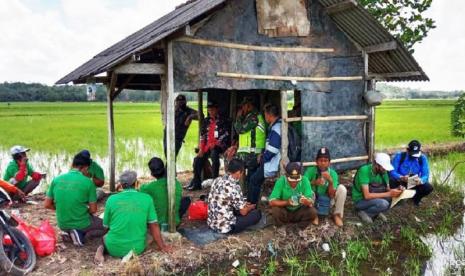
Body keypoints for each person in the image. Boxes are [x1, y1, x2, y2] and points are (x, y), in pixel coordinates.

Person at [94, 171, 172, 263]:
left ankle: (100, 251)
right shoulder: (147, 198)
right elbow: (154, 225)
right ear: (136, 183)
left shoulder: (111, 199)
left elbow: (105, 226)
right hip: (136, 250)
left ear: (121, 185)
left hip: (114, 249)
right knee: (149, 237)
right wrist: (163, 247)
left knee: (104, 238)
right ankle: (129, 253)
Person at [44, 152, 106, 246]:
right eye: (87, 169)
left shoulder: (56, 179)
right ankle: (82, 234)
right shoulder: (88, 182)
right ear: (86, 168)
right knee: (107, 226)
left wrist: (65, 209)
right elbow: (93, 210)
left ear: (72, 165)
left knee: (83, 221)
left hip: (62, 224)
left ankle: (69, 232)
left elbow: (47, 204)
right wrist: (80, 212)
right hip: (81, 222)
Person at [207, 159, 261, 234]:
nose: (242, 175)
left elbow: (227, 199)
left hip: (212, 223)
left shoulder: (217, 180)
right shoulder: (234, 187)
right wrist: (249, 208)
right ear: (239, 172)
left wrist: (243, 204)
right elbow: (243, 212)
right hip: (225, 227)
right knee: (256, 214)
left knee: (240, 208)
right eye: (242, 172)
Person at [187, 100, 231, 190]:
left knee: (214, 154)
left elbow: (226, 134)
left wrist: (216, 143)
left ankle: (215, 181)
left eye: (212, 109)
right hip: (208, 147)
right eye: (209, 110)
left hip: (220, 146)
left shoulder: (223, 120)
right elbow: (202, 135)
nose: (210, 111)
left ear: (216, 109)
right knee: (197, 160)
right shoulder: (206, 121)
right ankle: (196, 183)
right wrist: (201, 149)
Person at [140, 157, 191, 228]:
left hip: (158, 225)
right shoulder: (176, 183)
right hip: (174, 223)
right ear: (164, 170)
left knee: (145, 201)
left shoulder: (150, 187)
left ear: (152, 174)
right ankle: (175, 218)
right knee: (186, 200)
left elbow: (141, 189)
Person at [352, 153, 403, 224]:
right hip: (360, 200)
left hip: (374, 197)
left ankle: (376, 211)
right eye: (383, 168)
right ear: (376, 164)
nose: (385, 170)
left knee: (393, 199)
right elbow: (367, 196)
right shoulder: (364, 171)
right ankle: (364, 212)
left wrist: (397, 190)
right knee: (384, 204)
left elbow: (388, 190)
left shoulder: (384, 172)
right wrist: (389, 194)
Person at [247, 103, 282, 204]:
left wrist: (263, 158)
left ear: (269, 115)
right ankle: (249, 201)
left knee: (254, 180)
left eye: (265, 114)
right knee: (251, 167)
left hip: (272, 162)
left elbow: (274, 149)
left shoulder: (276, 128)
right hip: (269, 160)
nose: (265, 116)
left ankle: (252, 204)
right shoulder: (275, 126)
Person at [304, 147, 347, 227]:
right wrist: (314, 182)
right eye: (320, 160)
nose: (323, 163)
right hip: (313, 200)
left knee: (342, 189)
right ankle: (313, 215)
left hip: (327, 200)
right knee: (309, 191)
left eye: (325, 161)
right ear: (316, 162)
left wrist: (330, 181)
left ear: (329, 163)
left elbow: (331, 195)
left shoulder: (333, 173)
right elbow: (303, 186)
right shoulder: (310, 171)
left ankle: (336, 215)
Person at [228, 97, 266, 182]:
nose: (242, 109)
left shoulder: (254, 117)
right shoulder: (250, 116)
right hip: (247, 153)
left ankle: (249, 194)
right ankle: (245, 192)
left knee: (251, 178)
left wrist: (238, 117)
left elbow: (240, 130)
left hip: (253, 153)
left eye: (243, 106)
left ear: (248, 106)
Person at [269, 162, 318, 227]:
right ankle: (281, 227)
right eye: (291, 180)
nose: (294, 182)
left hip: (299, 210)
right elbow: (271, 202)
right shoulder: (281, 181)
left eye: (297, 179)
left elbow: (310, 201)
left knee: (312, 212)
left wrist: (307, 202)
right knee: (275, 210)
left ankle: (299, 227)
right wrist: (286, 202)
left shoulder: (305, 180)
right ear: (286, 176)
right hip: (285, 210)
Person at [389, 140, 433, 206]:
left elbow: (426, 175)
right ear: (407, 150)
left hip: (414, 182)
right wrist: (401, 177)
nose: (414, 156)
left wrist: (420, 180)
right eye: (412, 154)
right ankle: (398, 199)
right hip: (401, 181)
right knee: (391, 180)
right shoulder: (400, 156)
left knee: (428, 187)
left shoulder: (422, 158)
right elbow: (392, 171)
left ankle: (415, 199)